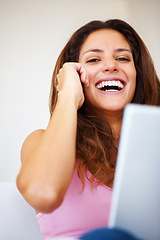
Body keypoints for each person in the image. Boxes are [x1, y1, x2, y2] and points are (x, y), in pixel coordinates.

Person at [16, 19, 160, 239]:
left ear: (137, 73)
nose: (111, 66)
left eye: (122, 58)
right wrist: (67, 96)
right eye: (94, 59)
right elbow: (43, 193)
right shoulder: (38, 141)